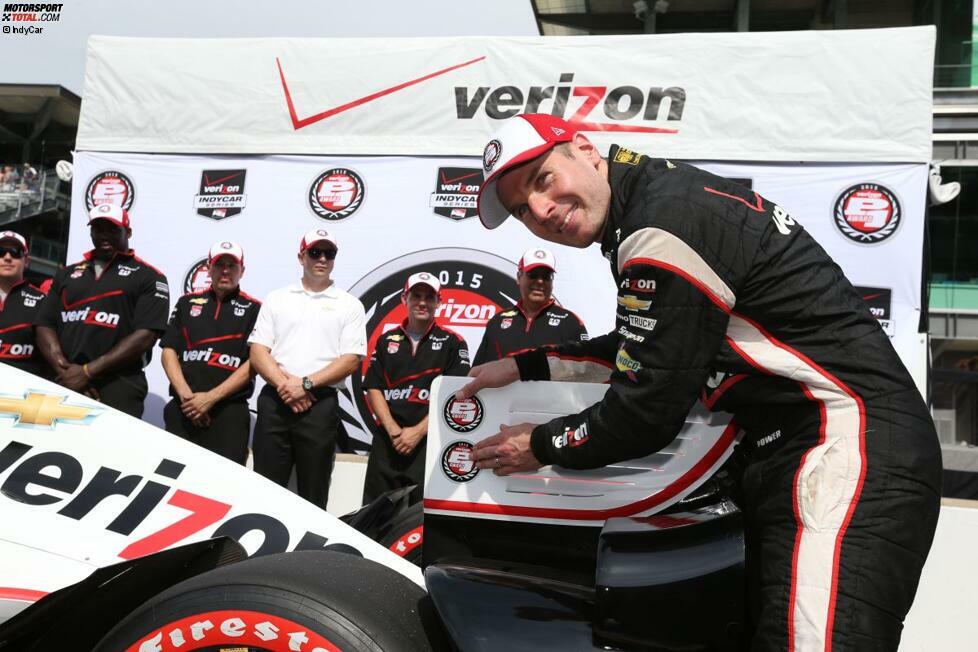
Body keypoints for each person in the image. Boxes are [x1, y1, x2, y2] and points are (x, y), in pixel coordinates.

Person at [458, 113, 942, 651]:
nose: (541, 210)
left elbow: (644, 411)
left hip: (845, 445)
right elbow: (649, 350)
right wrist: (526, 366)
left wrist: (539, 444)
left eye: (543, 180)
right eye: (523, 209)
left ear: (585, 149)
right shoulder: (658, 202)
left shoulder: (662, 224)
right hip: (801, 450)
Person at [248, 228, 366, 509]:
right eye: (315, 252)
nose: (322, 259)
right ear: (301, 256)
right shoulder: (277, 298)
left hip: (319, 403)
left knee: (314, 492)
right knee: (264, 489)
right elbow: (258, 351)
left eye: (329, 253)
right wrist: (286, 386)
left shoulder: (349, 305)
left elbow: (351, 359)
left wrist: (306, 385)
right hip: (276, 401)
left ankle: (310, 553)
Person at [35, 205, 169, 417]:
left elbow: (146, 336)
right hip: (65, 379)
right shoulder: (67, 274)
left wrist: (87, 372)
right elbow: (44, 323)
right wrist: (66, 371)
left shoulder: (150, 276)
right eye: (98, 229)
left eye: (113, 229)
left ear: (129, 232)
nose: (104, 235)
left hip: (119, 382)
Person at [362, 271, 471, 505]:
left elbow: (455, 396)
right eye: (416, 296)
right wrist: (393, 429)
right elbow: (373, 387)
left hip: (427, 442)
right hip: (387, 440)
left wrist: (418, 432)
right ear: (404, 299)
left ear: (439, 302)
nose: (422, 302)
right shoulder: (386, 340)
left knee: (418, 516)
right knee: (374, 512)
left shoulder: (454, 342)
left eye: (429, 297)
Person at [159, 241, 261, 464]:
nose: (225, 270)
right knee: (171, 479)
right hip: (183, 408)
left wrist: (210, 399)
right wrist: (188, 398)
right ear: (208, 268)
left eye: (232, 265)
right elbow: (168, 351)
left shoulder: (255, 309)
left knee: (223, 488)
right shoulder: (186, 303)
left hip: (229, 413)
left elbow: (255, 362)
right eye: (219, 264)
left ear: (242, 270)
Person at [472, 247, 587, 365]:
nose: (540, 281)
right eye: (533, 275)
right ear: (519, 277)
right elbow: (478, 373)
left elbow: (587, 372)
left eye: (546, 276)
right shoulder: (497, 322)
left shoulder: (570, 322)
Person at [0, 231, 48, 377]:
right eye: (1, 252)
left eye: (15, 252)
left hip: (22, 393)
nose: (7, 257)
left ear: (26, 261)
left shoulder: (43, 301)